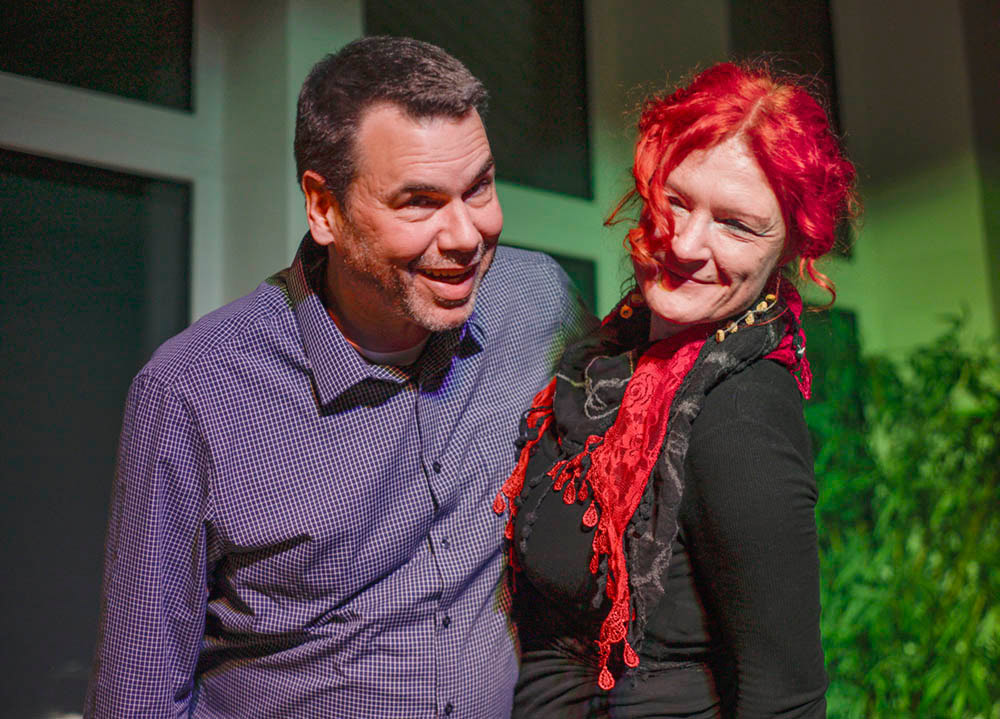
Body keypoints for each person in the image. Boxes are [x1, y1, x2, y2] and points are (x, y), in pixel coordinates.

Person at [85, 36, 593, 718]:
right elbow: (138, 695)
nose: (466, 235)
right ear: (324, 208)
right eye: (419, 202)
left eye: (478, 188)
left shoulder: (537, 303)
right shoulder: (192, 391)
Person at [494, 62, 858, 717]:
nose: (685, 243)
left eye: (737, 224)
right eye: (678, 200)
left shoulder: (739, 411)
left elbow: (786, 697)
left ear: (789, 249)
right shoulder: (610, 355)